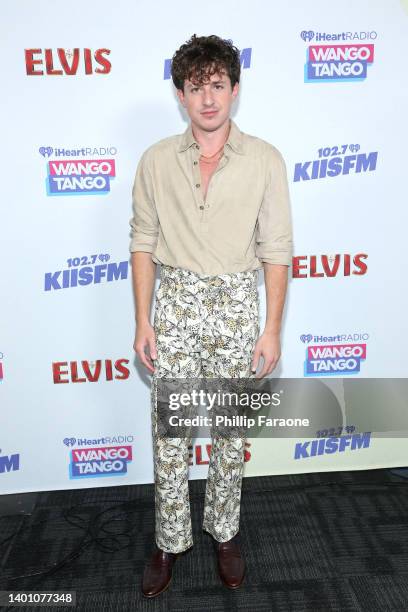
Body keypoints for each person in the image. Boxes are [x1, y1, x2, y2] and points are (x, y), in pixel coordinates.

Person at [129, 34, 293, 598]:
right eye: (196, 87)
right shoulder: (154, 161)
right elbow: (143, 242)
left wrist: (271, 327)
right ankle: (170, 539)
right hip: (173, 305)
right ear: (180, 94)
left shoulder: (266, 159)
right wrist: (143, 320)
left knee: (229, 431)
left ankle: (225, 534)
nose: (207, 98)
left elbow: (276, 248)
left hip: (236, 305)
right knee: (172, 432)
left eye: (217, 85)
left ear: (235, 90)